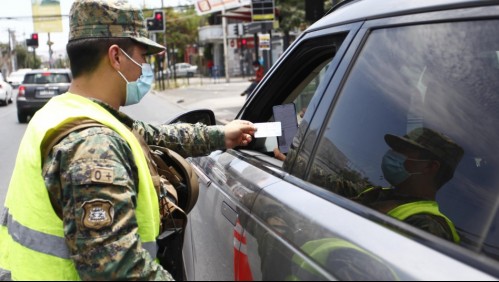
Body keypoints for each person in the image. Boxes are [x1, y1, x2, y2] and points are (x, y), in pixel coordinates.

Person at [0, 0, 256, 281]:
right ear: (116, 57)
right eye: (142, 55)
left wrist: (220, 135)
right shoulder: (94, 144)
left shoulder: (62, 112)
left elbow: (150, 134)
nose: (144, 66)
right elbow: (118, 270)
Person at [286, 127, 464, 280]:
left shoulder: (428, 227)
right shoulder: (377, 193)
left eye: (402, 150)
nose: (391, 155)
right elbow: (324, 180)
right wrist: (288, 157)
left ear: (430, 167)